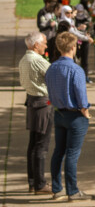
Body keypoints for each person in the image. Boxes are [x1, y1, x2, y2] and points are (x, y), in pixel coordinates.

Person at [44, 32, 93, 201]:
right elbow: (81, 95)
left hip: (59, 113)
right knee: (72, 153)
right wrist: (85, 111)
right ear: (73, 47)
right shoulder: (76, 70)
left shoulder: (51, 68)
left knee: (59, 151)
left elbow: (49, 91)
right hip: (75, 115)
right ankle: (72, 190)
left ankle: (57, 188)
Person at [20, 32, 52, 195]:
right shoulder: (37, 61)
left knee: (33, 143)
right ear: (35, 45)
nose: (46, 46)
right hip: (42, 103)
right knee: (41, 145)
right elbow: (54, 77)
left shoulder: (24, 59)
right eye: (44, 43)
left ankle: (33, 182)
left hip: (32, 101)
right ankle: (39, 184)